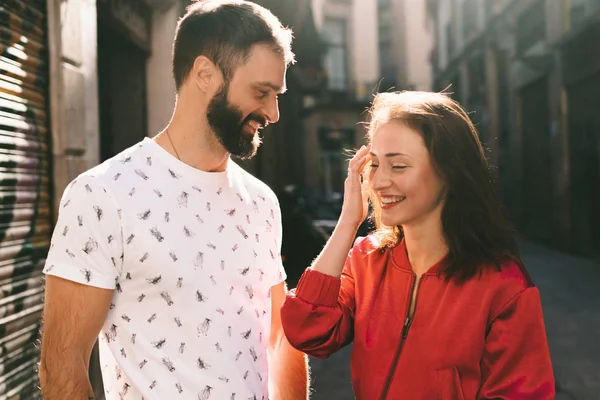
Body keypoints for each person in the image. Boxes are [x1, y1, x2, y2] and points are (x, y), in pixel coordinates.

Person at [39, 1, 308, 399]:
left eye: (277, 94)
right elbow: (61, 365)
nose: (273, 112)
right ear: (205, 74)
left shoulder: (262, 202)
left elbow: (280, 340)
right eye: (262, 92)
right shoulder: (103, 194)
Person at [280, 91, 555, 399]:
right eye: (373, 164)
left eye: (398, 166)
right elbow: (308, 331)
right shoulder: (366, 259)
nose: (380, 181)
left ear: (449, 172)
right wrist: (347, 225)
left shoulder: (504, 286)